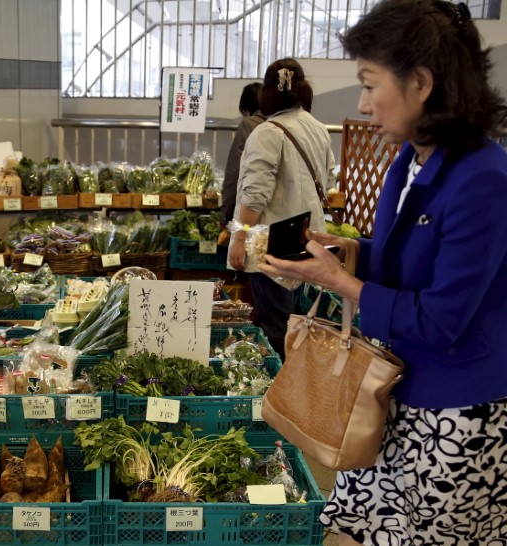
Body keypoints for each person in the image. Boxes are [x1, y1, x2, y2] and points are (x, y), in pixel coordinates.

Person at [258, 1, 507, 544]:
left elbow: (443, 319)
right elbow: (405, 259)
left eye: (370, 85)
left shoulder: (484, 178)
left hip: (455, 407)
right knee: (380, 527)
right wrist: (342, 251)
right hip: (393, 384)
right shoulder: (410, 159)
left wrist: (341, 283)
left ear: (420, 82)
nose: (364, 104)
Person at [227, 58, 335, 358]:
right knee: (302, 324)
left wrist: (239, 238)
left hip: (272, 245)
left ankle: (279, 396)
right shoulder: (318, 128)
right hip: (310, 240)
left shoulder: (267, 133)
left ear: (267, 93)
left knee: (275, 328)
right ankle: (299, 391)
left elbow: (255, 195)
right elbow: (328, 180)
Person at [219, 82, 265, 227]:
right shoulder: (284, 124)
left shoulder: (249, 125)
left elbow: (235, 169)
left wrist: (226, 210)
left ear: (246, 109)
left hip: (250, 207)